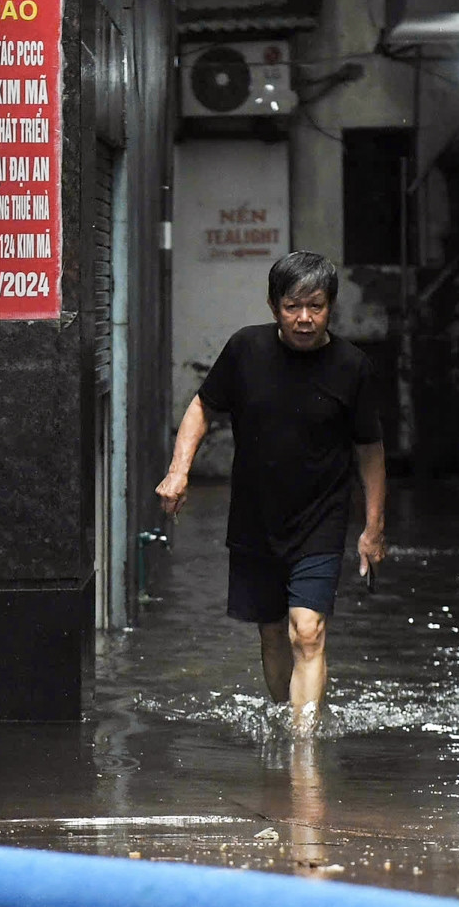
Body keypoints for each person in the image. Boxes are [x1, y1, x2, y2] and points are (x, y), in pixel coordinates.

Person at [155, 250, 385, 733]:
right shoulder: (246, 350)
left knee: (309, 630)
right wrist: (179, 470)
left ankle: (303, 756)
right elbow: (202, 406)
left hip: (322, 517)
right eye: (292, 306)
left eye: (316, 307)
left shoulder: (352, 367)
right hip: (256, 516)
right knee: (273, 632)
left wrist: (373, 526)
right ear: (273, 305)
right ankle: (291, 717)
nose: (304, 319)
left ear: (331, 307)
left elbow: (370, 448)